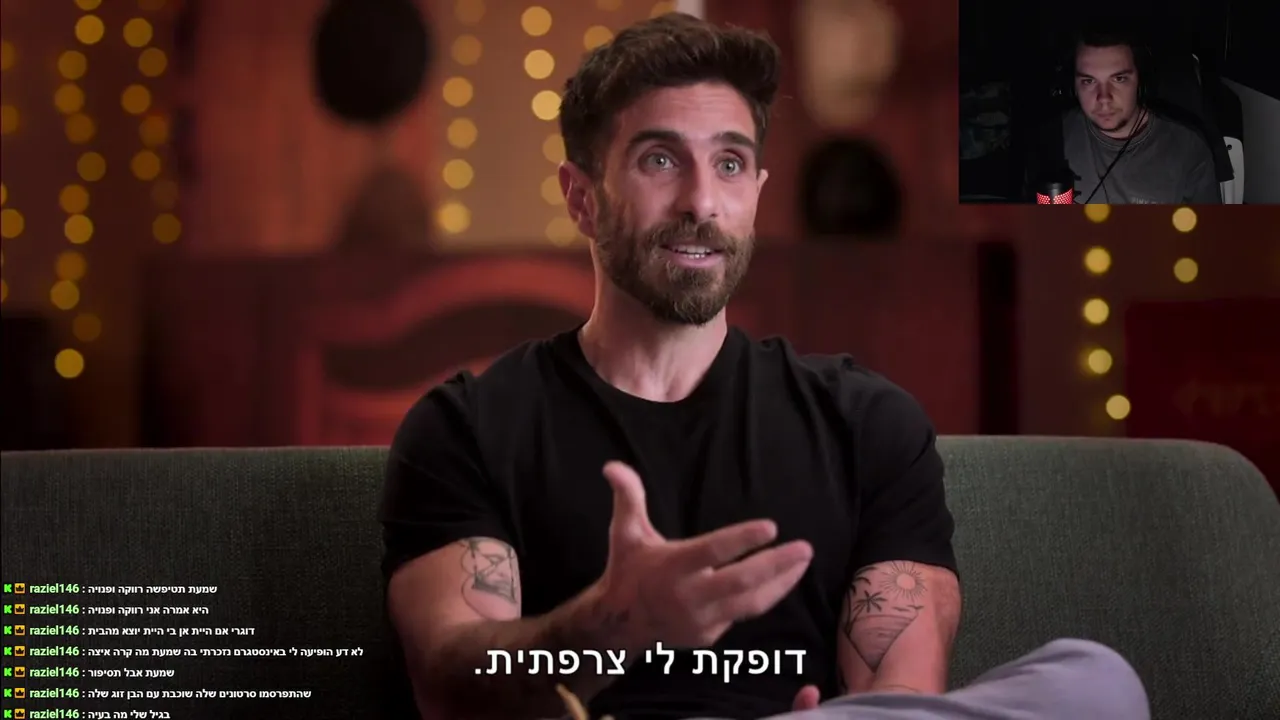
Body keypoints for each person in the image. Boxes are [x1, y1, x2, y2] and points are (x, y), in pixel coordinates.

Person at [379, 12, 1150, 720]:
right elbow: (449, 687)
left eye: (730, 163)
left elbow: (903, 699)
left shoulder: (865, 423)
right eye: (659, 160)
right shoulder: (469, 425)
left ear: (757, 191)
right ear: (581, 198)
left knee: (1094, 680)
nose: (702, 202)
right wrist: (614, 622)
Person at [1059, 26, 1221, 204]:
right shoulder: (1053, 137)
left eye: (1119, 79)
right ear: (1073, 87)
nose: (1104, 98)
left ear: (1141, 82)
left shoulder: (1187, 148)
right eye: (1089, 81)